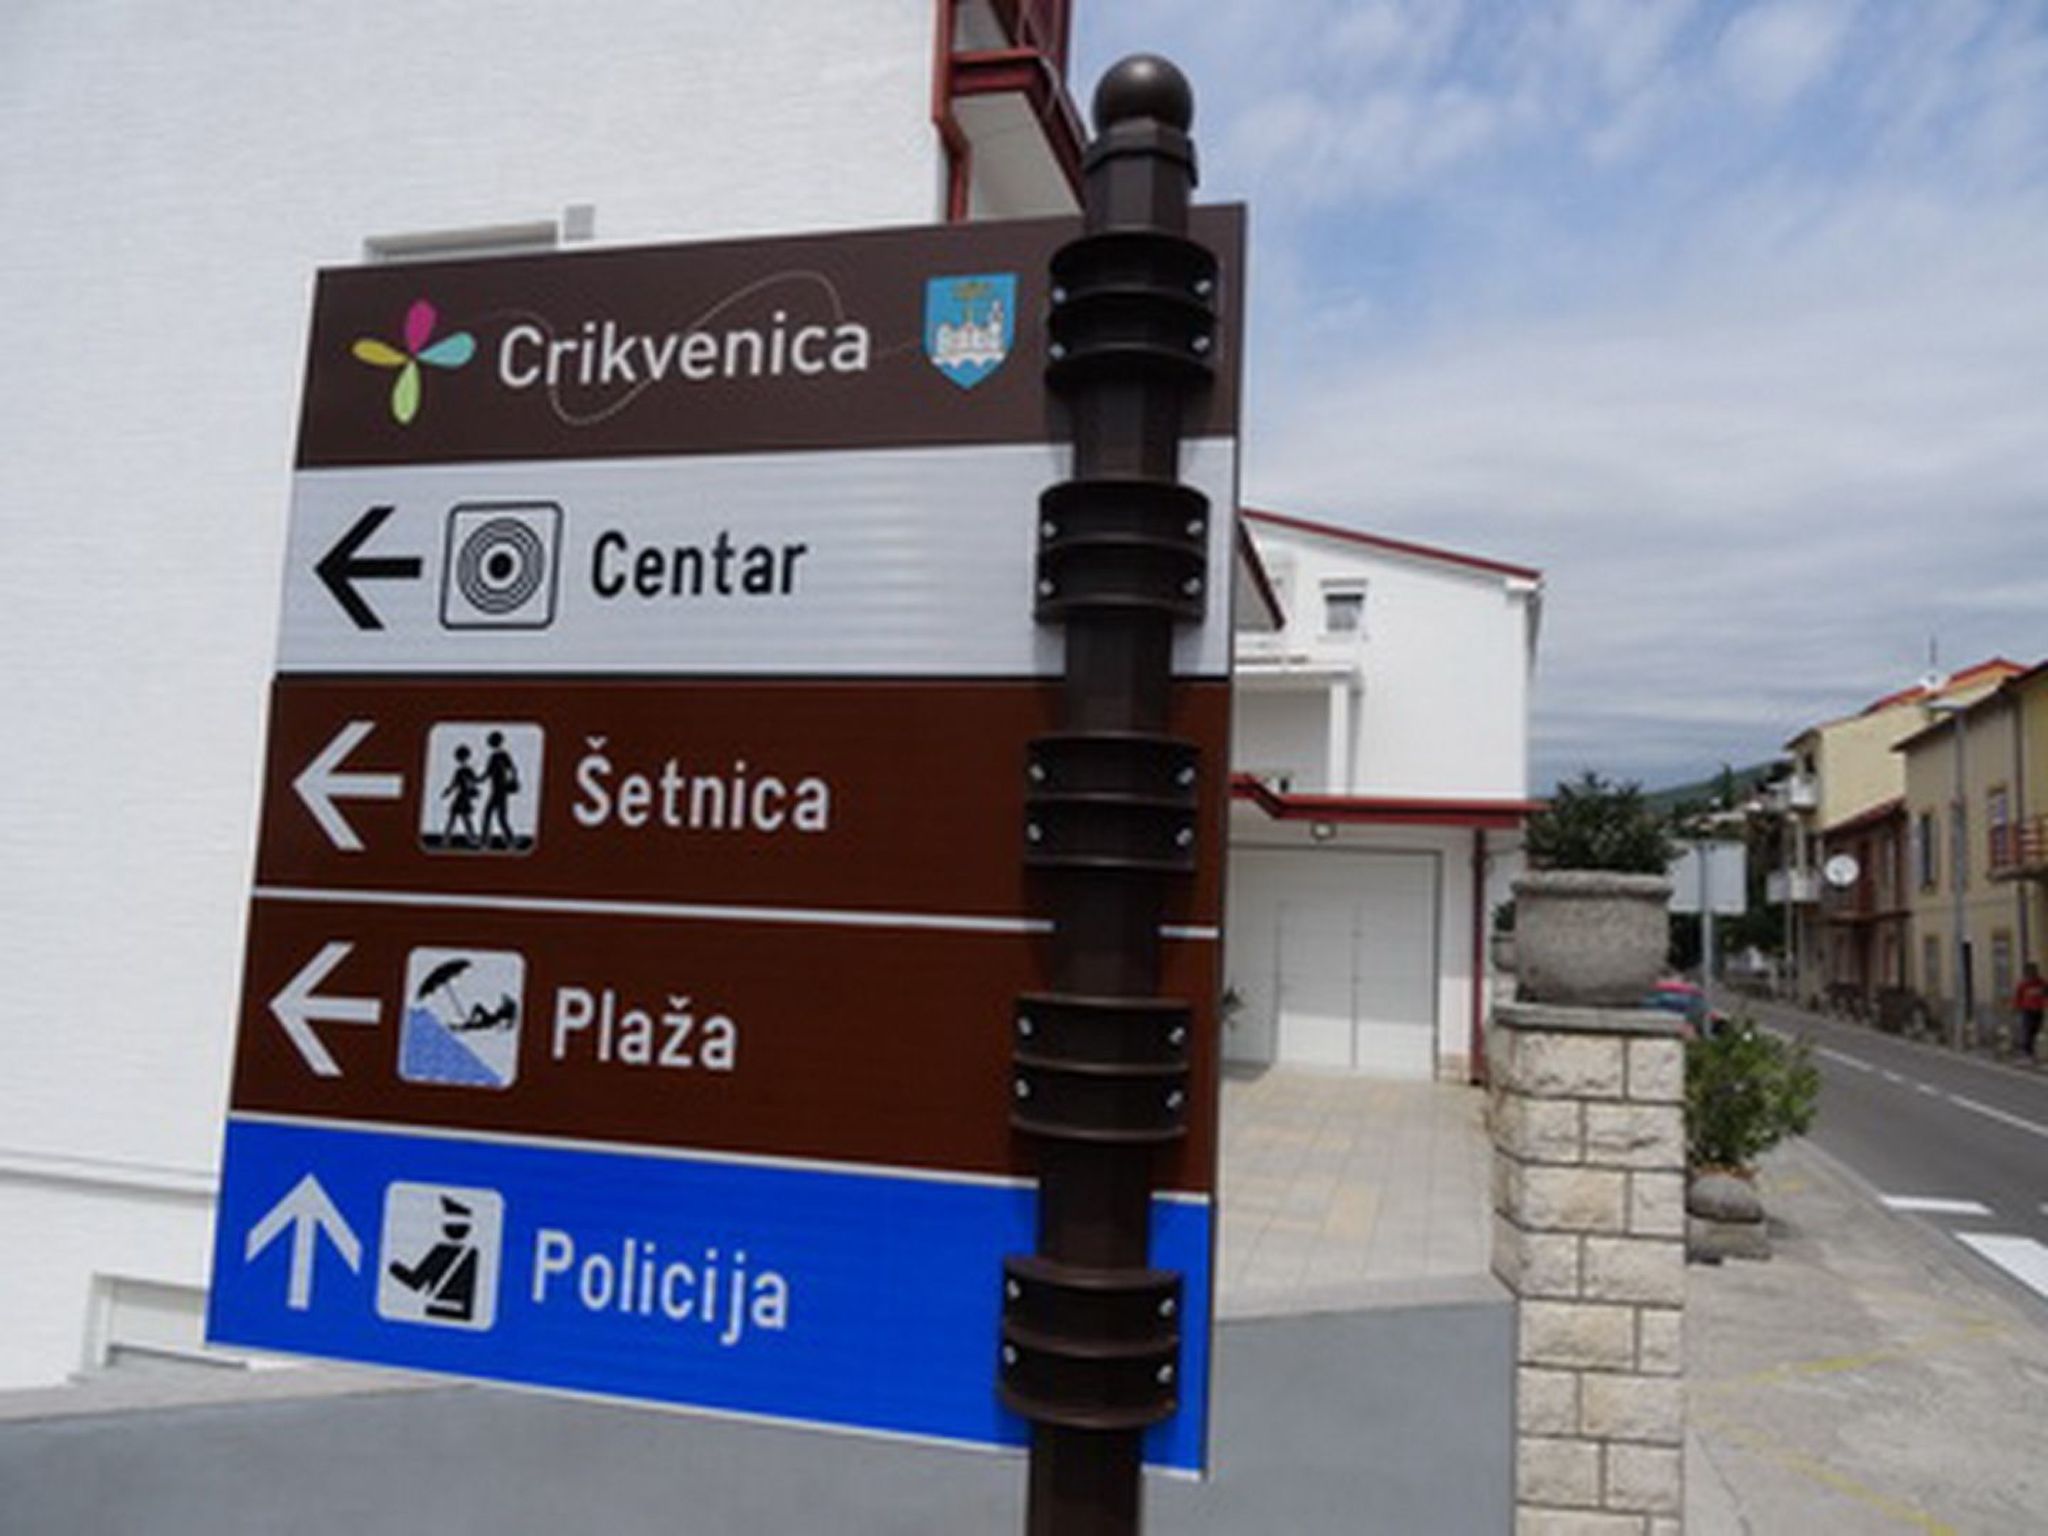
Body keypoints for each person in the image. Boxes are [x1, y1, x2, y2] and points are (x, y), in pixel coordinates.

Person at [2012, 962, 2046, 1064]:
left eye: (2034, 971)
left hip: (2039, 1010)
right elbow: (2018, 997)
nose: (2032, 973)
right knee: (2028, 1031)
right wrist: (2016, 1008)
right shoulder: (2023, 984)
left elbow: (2046, 994)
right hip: (2027, 1010)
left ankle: (2033, 1052)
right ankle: (2027, 1052)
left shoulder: (2041, 983)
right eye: (2030, 971)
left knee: (2036, 1030)